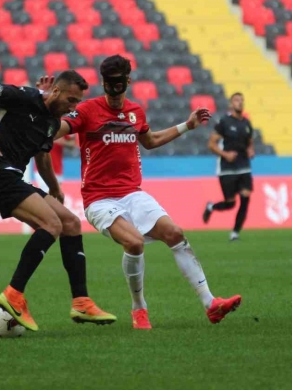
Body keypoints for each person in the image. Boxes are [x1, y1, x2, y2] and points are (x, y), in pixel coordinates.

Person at [46, 55, 242, 330]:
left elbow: (150, 141)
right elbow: (58, 130)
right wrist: (45, 109)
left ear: (127, 81)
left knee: (175, 233)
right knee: (135, 242)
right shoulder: (88, 110)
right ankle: (139, 309)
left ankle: (211, 304)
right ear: (104, 84)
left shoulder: (136, 111)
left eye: (118, 83)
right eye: (109, 84)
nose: (114, 90)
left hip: (133, 193)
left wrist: (187, 125)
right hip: (99, 199)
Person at [0, 70, 116, 332]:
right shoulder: (24, 96)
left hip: (11, 177)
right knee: (51, 224)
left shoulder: (51, 122)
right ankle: (14, 294)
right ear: (56, 91)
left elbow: (42, 157)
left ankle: (81, 301)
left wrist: (54, 187)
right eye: (71, 100)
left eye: (77, 102)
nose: (74, 107)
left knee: (70, 222)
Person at [202, 92, 255, 241]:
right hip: (227, 168)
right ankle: (211, 207)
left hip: (244, 166)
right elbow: (211, 144)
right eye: (237, 100)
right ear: (231, 104)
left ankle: (235, 233)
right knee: (230, 203)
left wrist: (251, 150)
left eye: (242, 100)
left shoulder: (246, 123)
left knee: (245, 197)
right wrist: (225, 155)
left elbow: (250, 141)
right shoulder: (224, 122)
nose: (240, 103)